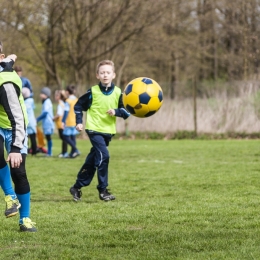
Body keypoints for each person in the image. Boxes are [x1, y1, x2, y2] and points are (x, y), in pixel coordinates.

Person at [69, 60, 130, 202]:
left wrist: (116, 111)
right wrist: (79, 122)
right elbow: (78, 106)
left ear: (113, 75)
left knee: (93, 160)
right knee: (104, 156)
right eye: (102, 72)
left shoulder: (118, 92)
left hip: (108, 132)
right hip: (94, 129)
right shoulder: (93, 92)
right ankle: (103, 190)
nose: (105, 75)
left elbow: (126, 113)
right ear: (97, 75)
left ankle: (77, 187)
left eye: (108, 72)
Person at [0, 41, 37, 232]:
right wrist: (9, 60)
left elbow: (18, 118)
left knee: (18, 171)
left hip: (16, 127)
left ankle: (25, 219)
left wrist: (15, 148)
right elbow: (9, 59)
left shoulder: (5, 81)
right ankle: (10, 196)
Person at [62, 85, 80, 158]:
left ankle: (75, 150)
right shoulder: (76, 100)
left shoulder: (68, 101)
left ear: (67, 92)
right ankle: (72, 153)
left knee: (65, 136)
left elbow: (66, 112)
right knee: (73, 137)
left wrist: (63, 121)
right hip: (75, 120)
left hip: (69, 121)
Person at [37, 87, 54, 156]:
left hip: (48, 122)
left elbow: (45, 113)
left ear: (46, 94)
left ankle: (49, 152)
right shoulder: (46, 102)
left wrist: (37, 119)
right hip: (46, 123)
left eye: (42, 93)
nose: (40, 95)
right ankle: (49, 152)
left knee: (48, 137)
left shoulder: (47, 102)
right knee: (48, 137)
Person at [22, 88, 37, 155]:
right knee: (33, 136)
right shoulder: (31, 100)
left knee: (26, 137)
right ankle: (34, 150)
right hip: (32, 120)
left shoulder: (23, 102)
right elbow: (33, 108)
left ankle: (26, 150)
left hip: (26, 121)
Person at [53, 90, 68, 157]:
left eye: (56, 95)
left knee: (63, 138)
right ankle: (64, 152)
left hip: (60, 123)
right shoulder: (62, 103)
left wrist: (54, 118)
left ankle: (64, 152)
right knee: (63, 138)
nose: (55, 97)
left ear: (59, 97)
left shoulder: (60, 103)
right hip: (61, 123)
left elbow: (59, 114)